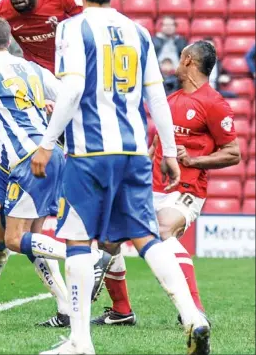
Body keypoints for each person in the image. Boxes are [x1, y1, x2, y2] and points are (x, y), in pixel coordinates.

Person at [32, 0, 210, 355]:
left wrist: (46, 142)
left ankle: (80, 341)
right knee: (146, 236)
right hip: (132, 151)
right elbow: (156, 97)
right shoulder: (138, 31)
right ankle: (193, 317)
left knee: (79, 241)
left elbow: (73, 88)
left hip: (90, 152)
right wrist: (169, 151)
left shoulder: (70, 28)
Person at [0, 19, 111, 328]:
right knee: (28, 239)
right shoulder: (32, 68)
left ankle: (88, 257)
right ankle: (64, 308)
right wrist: (48, 108)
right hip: (43, 152)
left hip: (28, 158)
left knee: (16, 239)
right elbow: (70, 97)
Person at [97, 41, 241, 329]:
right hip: (151, 187)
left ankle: (194, 311)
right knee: (108, 236)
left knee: (163, 231)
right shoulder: (171, 100)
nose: (175, 61)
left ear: (187, 60)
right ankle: (121, 310)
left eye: (179, 56)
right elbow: (157, 145)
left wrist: (195, 160)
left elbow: (233, 153)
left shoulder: (213, 103)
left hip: (186, 190)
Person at [0, 0, 84, 73]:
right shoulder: (0, 12)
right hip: (36, 73)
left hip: (70, 65)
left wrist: (65, 31)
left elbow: (86, 25)